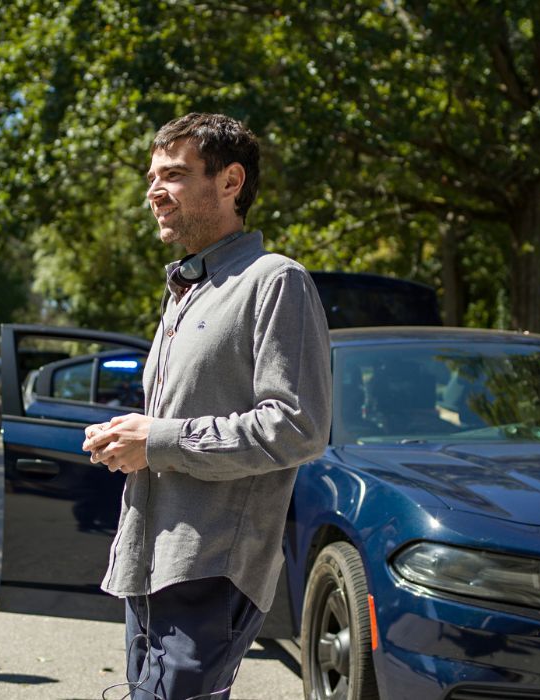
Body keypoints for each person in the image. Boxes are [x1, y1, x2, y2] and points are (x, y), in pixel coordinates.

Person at [81, 113, 332, 699]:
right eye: (152, 176)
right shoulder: (185, 292)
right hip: (149, 560)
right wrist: (131, 438)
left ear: (230, 182)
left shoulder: (275, 282)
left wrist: (159, 441)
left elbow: (297, 427)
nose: (153, 191)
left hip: (212, 564)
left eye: (173, 174)